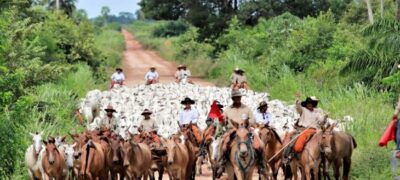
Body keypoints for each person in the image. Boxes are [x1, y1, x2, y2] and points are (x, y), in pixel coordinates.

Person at [216, 89, 266, 177]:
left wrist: (247, 122)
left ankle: (262, 165)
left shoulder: (246, 108)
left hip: (246, 130)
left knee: (260, 145)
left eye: (239, 97)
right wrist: (223, 120)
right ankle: (221, 162)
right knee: (222, 144)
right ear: (233, 98)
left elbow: (253, 119)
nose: (238, 99)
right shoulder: (228, 109)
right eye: (236, 97)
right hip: (232, 131)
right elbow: (222, 121)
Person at [283, 92, 328, 160]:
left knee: (325, 139)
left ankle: (325, 159)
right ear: (306, 104)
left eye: (311, 103)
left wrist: (325, 117)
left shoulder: (317, 112)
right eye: (308, 103)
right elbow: (298, 107)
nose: (310, 104)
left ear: (313, 104)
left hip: (315, 130)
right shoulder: (303, 110)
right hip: (304, 130)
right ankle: (290, 155)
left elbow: (321, 121)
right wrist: (298, 99)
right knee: (294, 140)